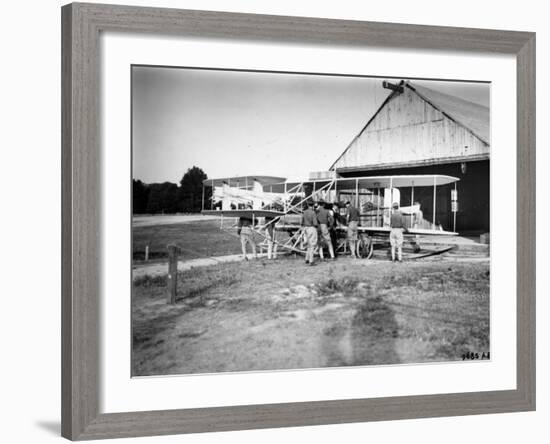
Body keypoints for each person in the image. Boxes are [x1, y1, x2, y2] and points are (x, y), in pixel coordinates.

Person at [301, 201, 319, 265]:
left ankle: (307, 258)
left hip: (305, 228)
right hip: (311, 228)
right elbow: (315, 223)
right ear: (313, 205)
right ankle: (311, 260)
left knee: (308, 244)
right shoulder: (313, 213)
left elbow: (302, 221)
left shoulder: (304, 212)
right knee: (312, 245)